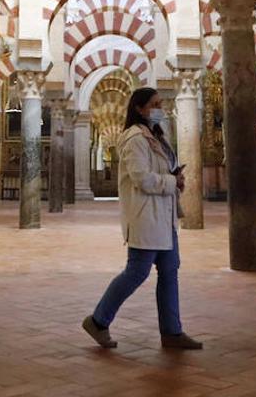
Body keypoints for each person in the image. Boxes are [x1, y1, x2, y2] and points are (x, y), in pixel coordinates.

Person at [82, 87, 202, 350]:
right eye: (154, 104)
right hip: (145, 216)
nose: (159, 108)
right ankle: (98, 320)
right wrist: (171, 181)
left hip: (164, 216)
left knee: (170, 271)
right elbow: (141, 178)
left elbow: (158, 172)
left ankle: (172, 332)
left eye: (160, 103)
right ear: (139, 108)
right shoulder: (135, 138)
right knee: (137, 272)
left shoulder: (155, 136)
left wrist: (174, 178)